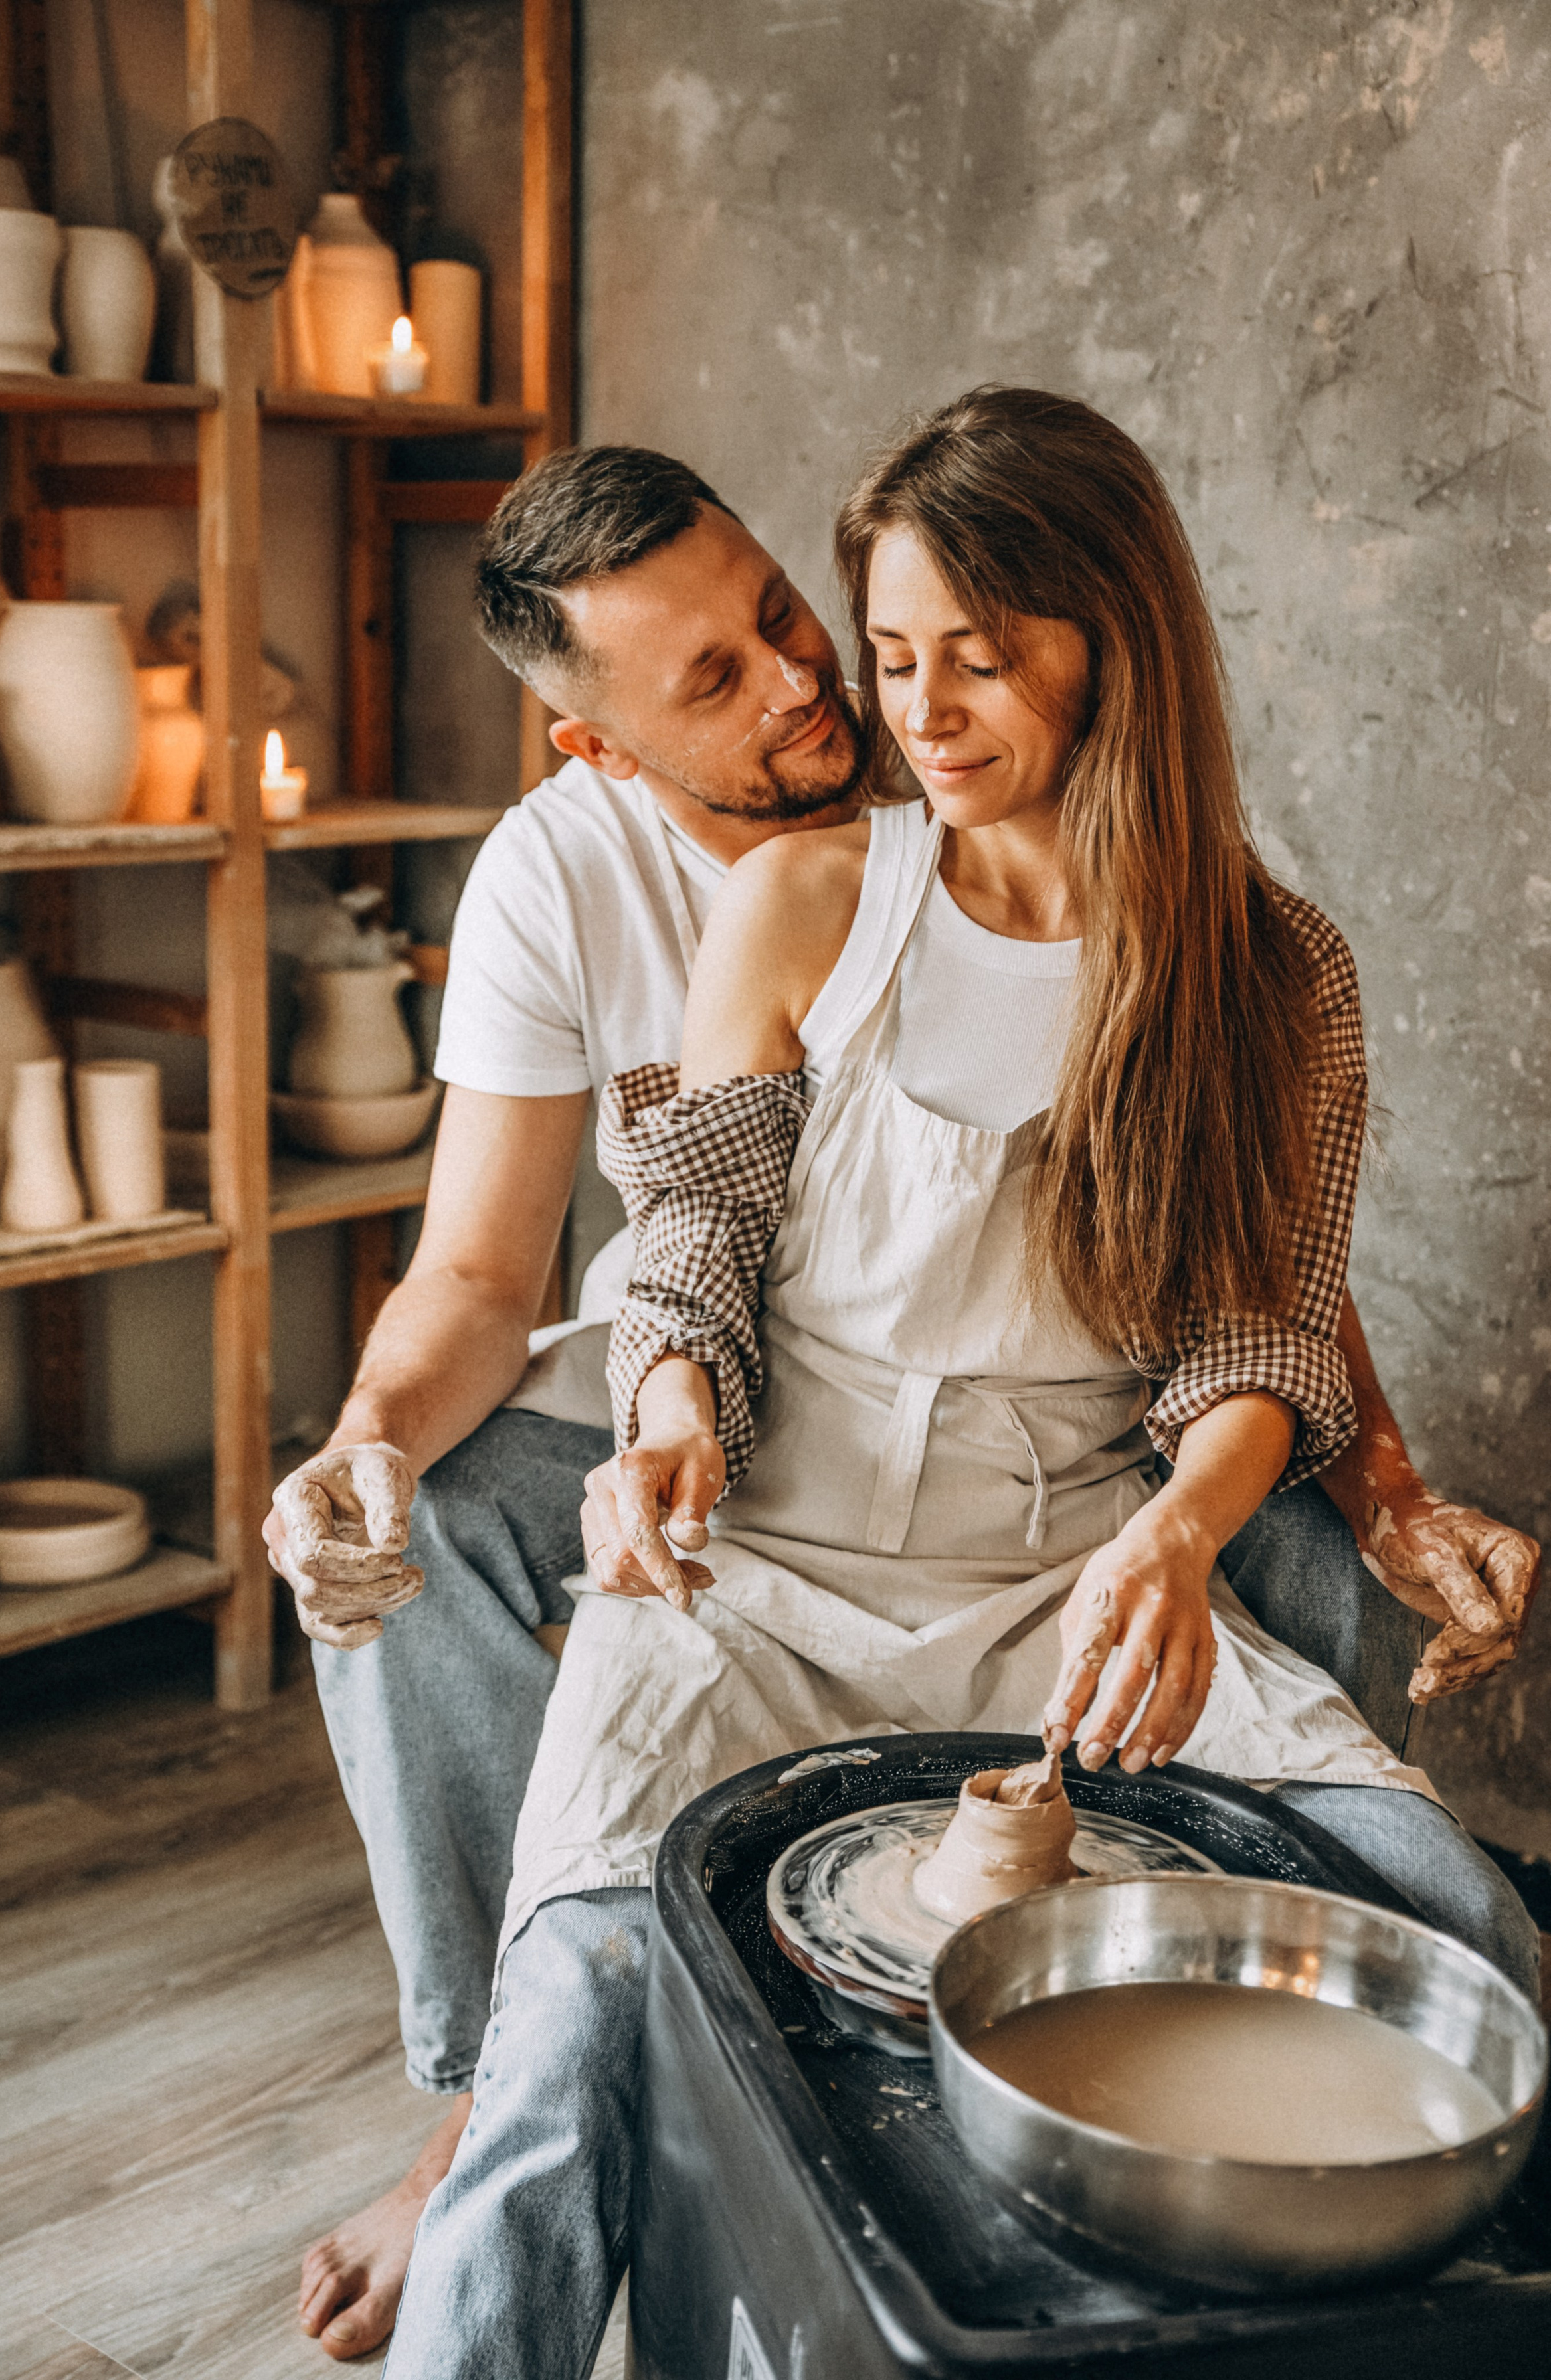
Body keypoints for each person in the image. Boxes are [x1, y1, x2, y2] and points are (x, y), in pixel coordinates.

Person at [264, 446, 1539, 2359]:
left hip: (1066, 1569)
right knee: (569, 2033)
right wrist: (669, 1398)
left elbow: (1259, 1322)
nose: (870, 704)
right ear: (593, 743)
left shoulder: (1275, 967)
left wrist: (1218, 1525)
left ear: (1116, 651)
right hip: (756, 1569)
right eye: (880, 653)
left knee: (1469, 1929)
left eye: (933, 652)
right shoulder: (782, 897)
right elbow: (679, 1235)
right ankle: (473, 2138)